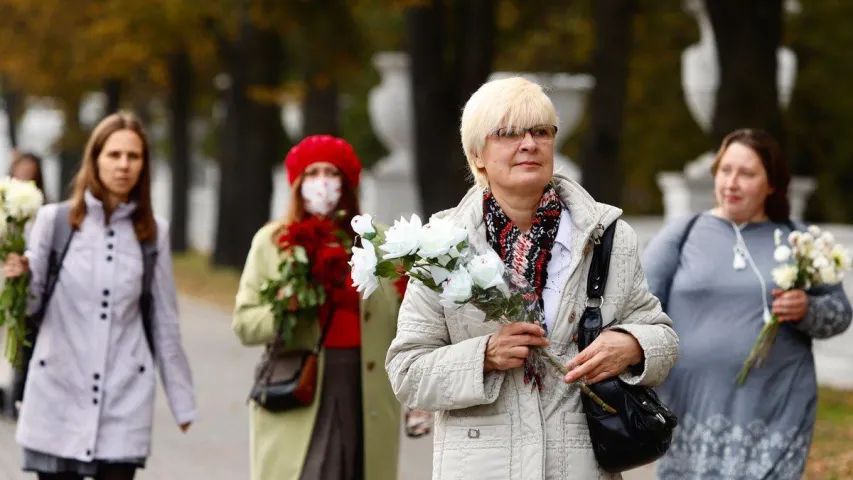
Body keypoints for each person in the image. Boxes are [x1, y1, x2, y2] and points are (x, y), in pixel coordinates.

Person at [384, 76, 679, 479]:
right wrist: (483, 356)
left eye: (541, 131)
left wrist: (631, 345)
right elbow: (407, 371)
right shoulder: (443, 246)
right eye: (508, 133)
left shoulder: (607, 236)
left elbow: (662, 336)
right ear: (478, 154)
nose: (529, 143)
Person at [642, 128, 852, 480]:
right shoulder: (684, 233)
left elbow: (841, 314)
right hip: (691, 408)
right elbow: (640, 307)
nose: (732, 183)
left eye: (747, 174)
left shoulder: (799, 240)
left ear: (772, 184)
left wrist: (807, 310)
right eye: (725, 171)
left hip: (777, 409)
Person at [2, 111, 197, 480]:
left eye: (133, 156)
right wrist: (17, 280)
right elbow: (29, 307)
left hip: (124, 397)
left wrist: (181, 401)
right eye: (114, 154)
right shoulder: (54, 222)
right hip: (58, 391)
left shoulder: (154, 234)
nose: (123, 165)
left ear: (144, 165)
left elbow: (164, 321)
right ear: (95, 159)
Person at [232, 134, 401, 480]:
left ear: (348, 183)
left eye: (332, 173)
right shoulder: (273, 241)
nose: (322, 183)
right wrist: (284, 307)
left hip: (365, 387)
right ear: (297, 184)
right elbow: (245, 324)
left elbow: (407, 320)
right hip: (302, 383)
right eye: (312, 174)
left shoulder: (380, 241)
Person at [6, 151, 48, 420]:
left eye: (31, 169)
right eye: (22, 168)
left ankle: (19, 396)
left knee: (24, 341)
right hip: (6, 279)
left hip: (29, 284)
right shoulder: (4, 205)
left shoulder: (46, 209)